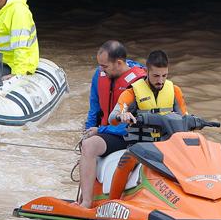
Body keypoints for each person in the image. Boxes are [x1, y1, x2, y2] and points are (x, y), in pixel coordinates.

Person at [76, 40, 146, 208]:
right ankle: (85, 202)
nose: (101, 69)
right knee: (87, 145)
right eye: (100, 65)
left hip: (129, 135)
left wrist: (100, 129)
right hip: (108, 132)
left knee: (91, 144)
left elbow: (131, 123)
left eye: (105, 66)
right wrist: (88, 130)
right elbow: (94, 108)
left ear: (119, 63)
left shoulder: (139, 83)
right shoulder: (99, 75)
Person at [110, 50, 188, 126]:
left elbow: (185, 119)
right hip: (143, 138)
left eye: (164, 76)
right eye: (156, 76)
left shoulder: (175, 91)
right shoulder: (131, 93)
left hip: (168, 138)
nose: (160, 81)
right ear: (146, 71)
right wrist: (120, 116)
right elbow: (112, 119)